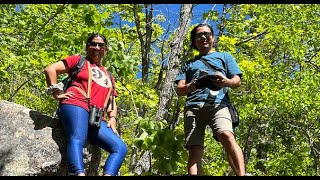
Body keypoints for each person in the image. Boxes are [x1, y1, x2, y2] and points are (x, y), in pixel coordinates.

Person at [44, 33, 128, 176]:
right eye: (93, 44)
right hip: (75, 103)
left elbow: (112, 99)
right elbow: (50, 69)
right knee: (78, 137)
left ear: (106, 50)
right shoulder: (78, 61)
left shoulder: (109, 75)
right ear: (87, 47)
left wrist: (112, 118)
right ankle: (78, 173)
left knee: (120, 147)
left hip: (95, 116)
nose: (96, 47)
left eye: (101, 45)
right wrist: (56, 91)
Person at [175, 24, 249, 176]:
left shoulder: (225, 57)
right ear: (194, 41)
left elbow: (237, 81)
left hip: (219, 104)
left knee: (226, 135)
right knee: (194, 149)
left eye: (206, 33)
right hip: (193, 107)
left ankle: (241, 174)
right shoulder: (188, 64)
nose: (203, 37)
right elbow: (179, 90)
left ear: (213, 37)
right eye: (198, 35)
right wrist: (194, 84)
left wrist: (225, 82)